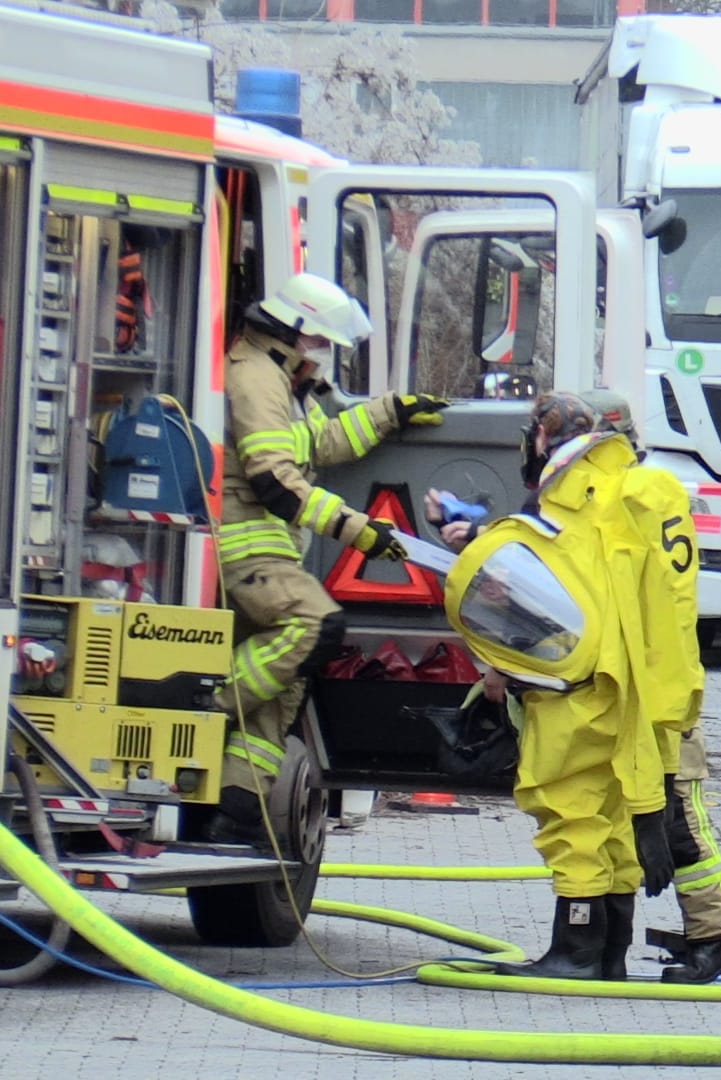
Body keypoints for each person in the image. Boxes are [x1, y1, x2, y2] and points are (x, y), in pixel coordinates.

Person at [443, 391, 677, 980]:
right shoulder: (627, 498)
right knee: (614, 818)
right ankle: (609, 954)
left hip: (574, 689)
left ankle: (574, 953)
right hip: (629, 687)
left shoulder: (570, 504)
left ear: (547, 442)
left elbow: (540, 583)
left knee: (570, 816)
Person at [212, 272, 450, 844]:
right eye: (320, 346)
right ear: (294, 333)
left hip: (267, 553)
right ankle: (207, 701)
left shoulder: (279, 382)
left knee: (286, 674)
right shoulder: (254, 379)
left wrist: (389, 412)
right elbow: (275, 481)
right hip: (242, 548)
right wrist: (357, 530)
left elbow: (319, 445)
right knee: (314, 624)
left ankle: (237, 802)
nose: (322, 360)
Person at [581, 388, 721, 984]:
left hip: (657, 689)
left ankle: (714, 936)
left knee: (678, 818)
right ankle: (704, 934)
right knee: (659, 815)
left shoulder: (625, 496)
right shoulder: (655, 488)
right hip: (657, 682)